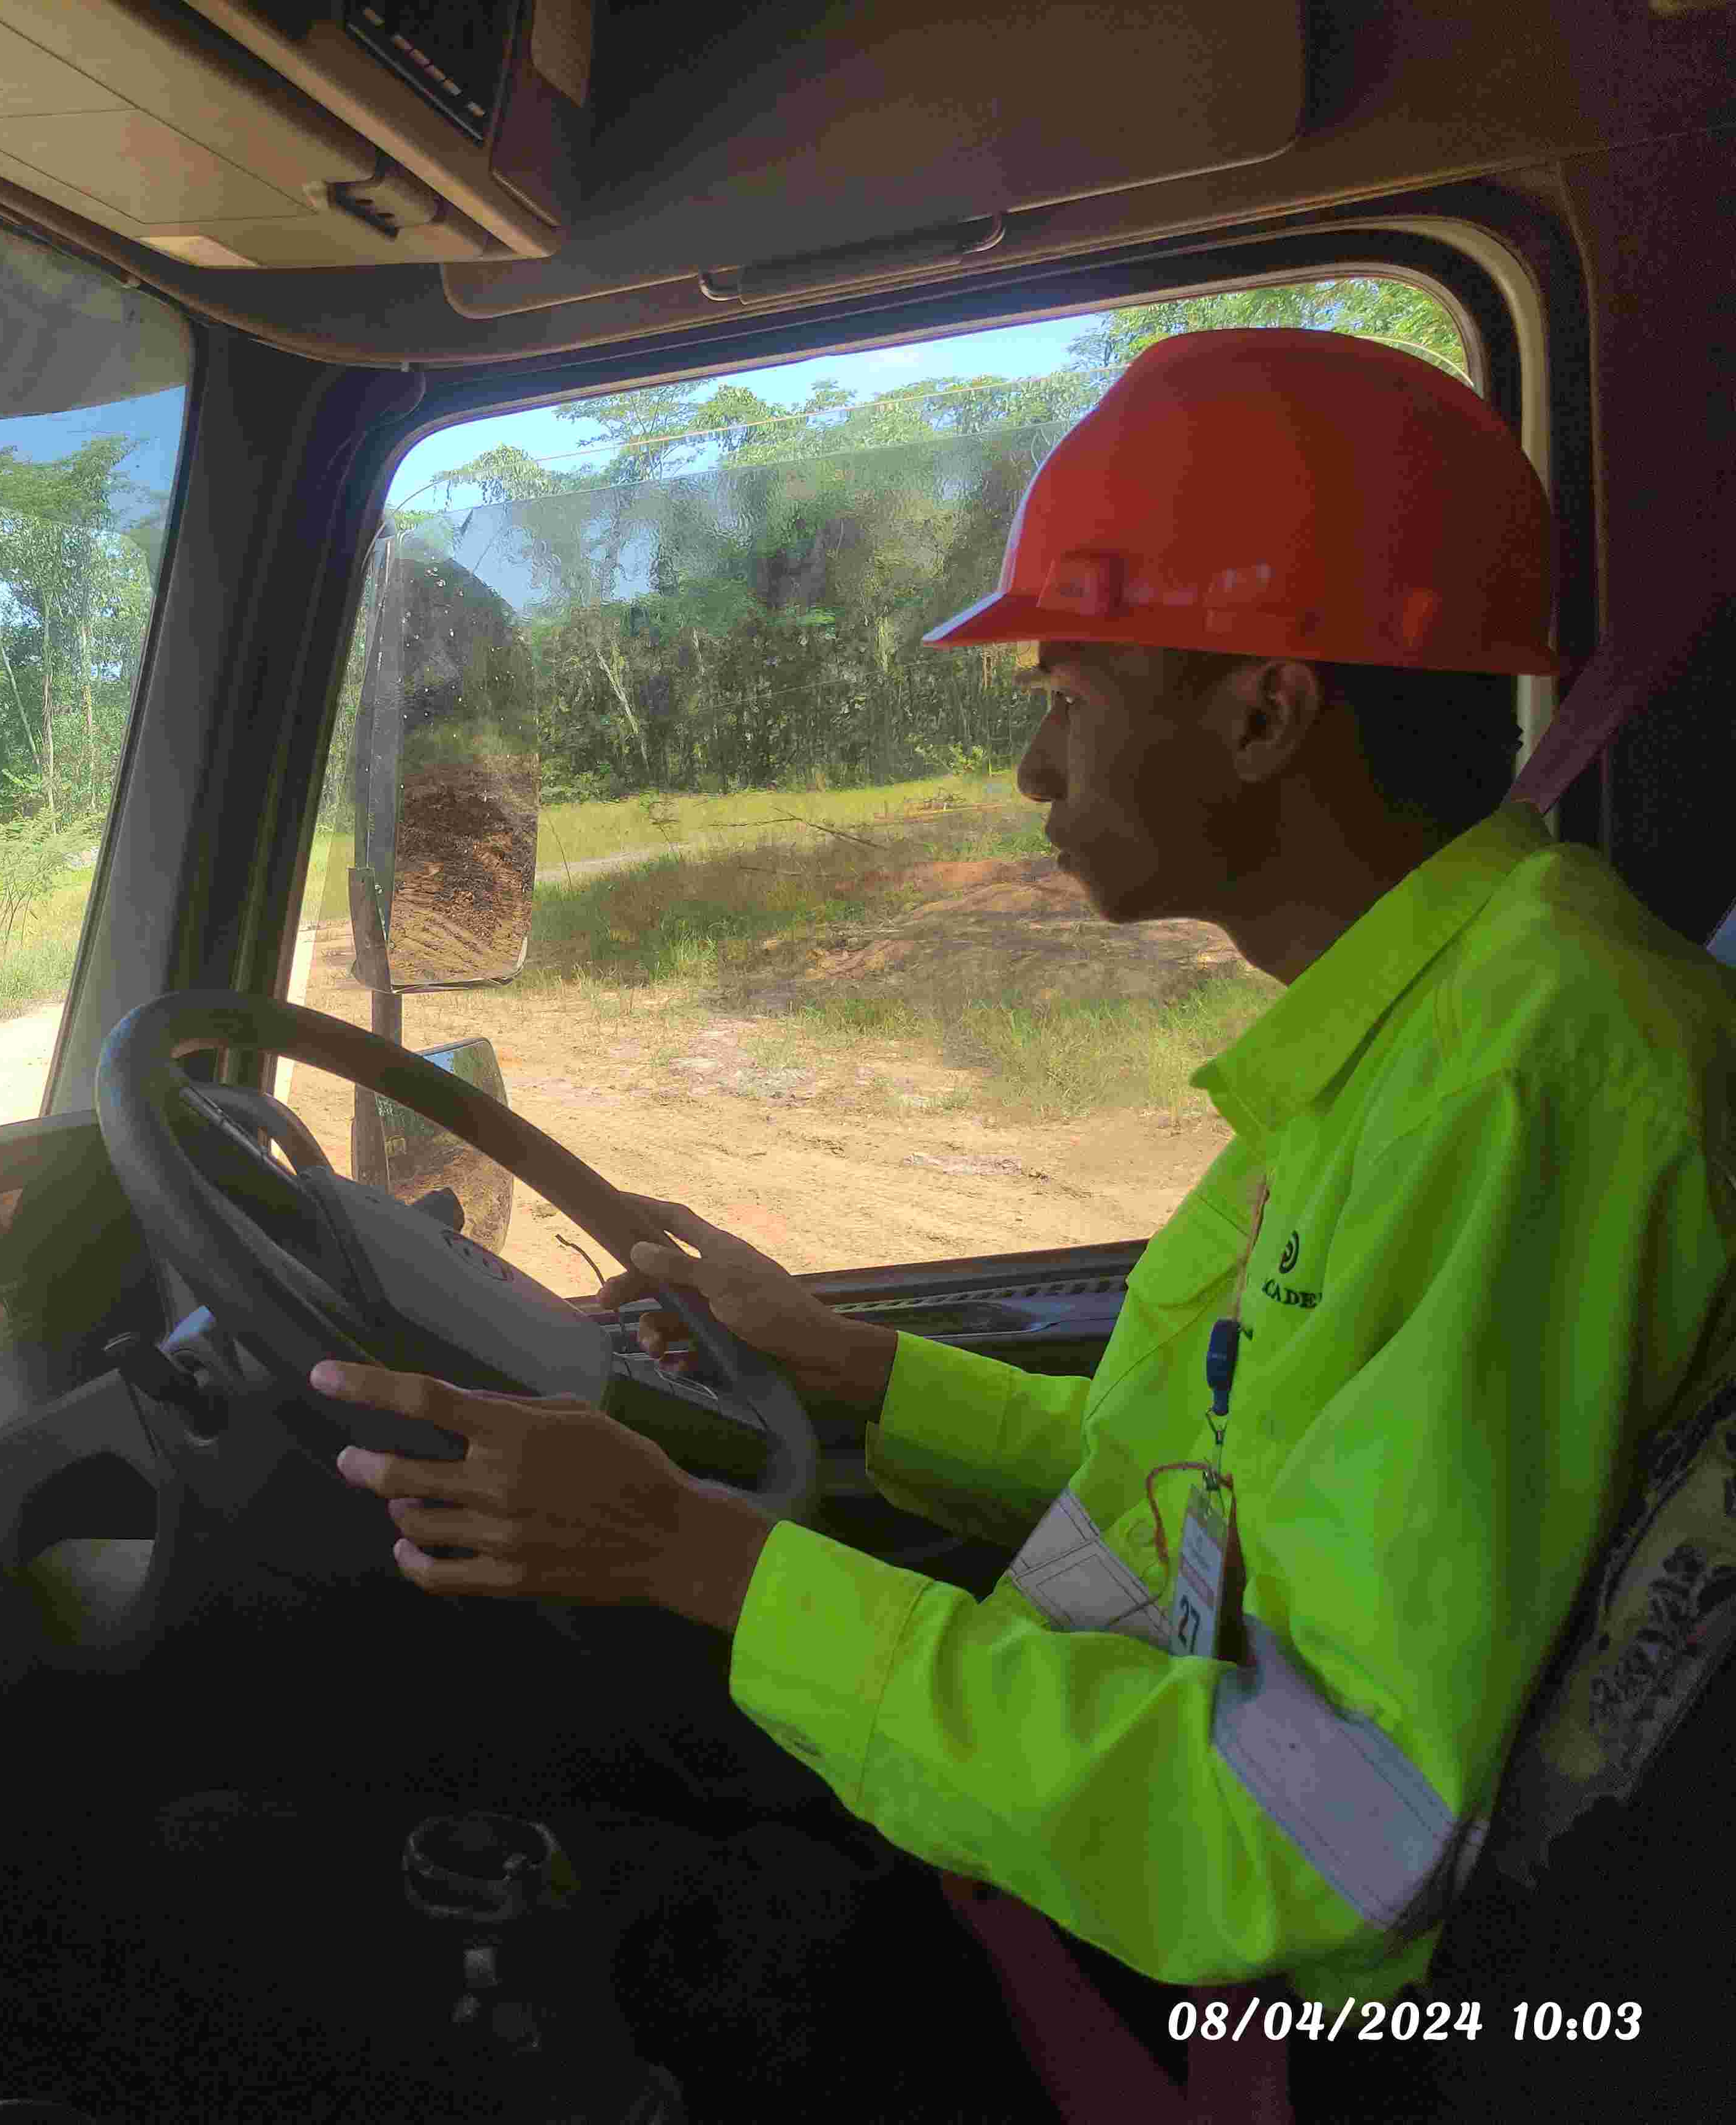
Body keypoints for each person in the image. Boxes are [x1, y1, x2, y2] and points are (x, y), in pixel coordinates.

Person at [294, 328, 1736, 2113]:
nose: (1036, 774)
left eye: (1071, 696)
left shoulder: (1535, 1077)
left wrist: (691, 1553)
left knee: (584, 1958)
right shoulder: (1433, 1029)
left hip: (1311, 2026)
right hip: (1193, 1872)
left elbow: (1328, 1831)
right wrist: (852, 1369)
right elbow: (1211, 1483)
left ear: (1264, 713)